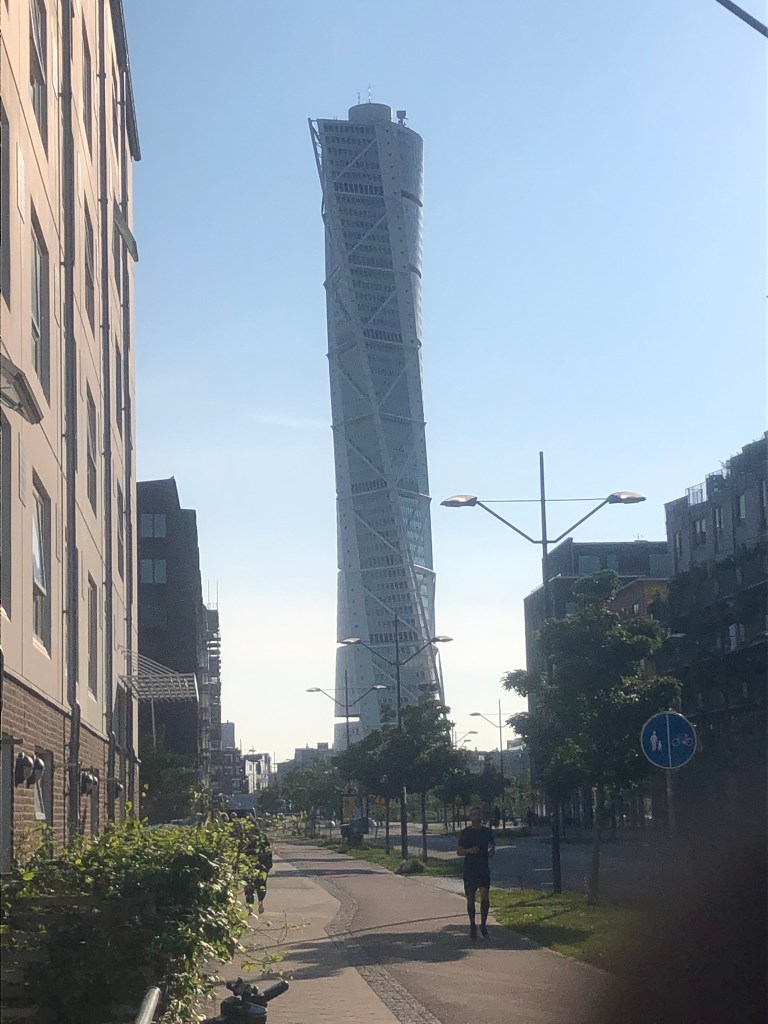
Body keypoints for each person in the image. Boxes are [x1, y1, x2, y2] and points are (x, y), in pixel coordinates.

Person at [457, 805, 495, 940]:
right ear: (470, 817)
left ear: (481, 816)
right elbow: (459, 851)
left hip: (483, 868)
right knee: (471, 898)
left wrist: (492, 850)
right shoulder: (466, 833)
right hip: (470, 869)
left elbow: (492, 845)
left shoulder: (487, 832)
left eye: (478, 815)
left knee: (485, 895)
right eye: (474, 815)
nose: (476, 817)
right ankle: (472, 925)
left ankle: (483, 924)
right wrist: (469, 851)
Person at [238, 817, 273, 914]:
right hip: (249, 865)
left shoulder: (261, 837)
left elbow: (268, 851)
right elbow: (241, 852)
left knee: (259, 885)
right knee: (250, 886)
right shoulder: (245, 838)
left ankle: (260, 902)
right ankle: (251, 905)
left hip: (260, 865)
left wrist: (268, 864)